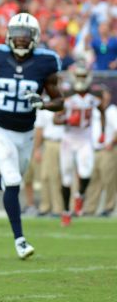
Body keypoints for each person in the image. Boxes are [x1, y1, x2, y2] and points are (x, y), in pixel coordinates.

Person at [0, 12, 63, 260]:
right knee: (12, 180)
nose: (21, 40)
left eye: (25, 36)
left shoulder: (46, 63)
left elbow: (59, 101)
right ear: (8, 36)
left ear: (35, 37)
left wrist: (43, 104)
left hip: (26, 133)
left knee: (12, 180)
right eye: (16, 35)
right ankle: (20, 240)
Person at [54, 65, 105, 225]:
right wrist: (67, 120)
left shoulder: (94, 95)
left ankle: (79, 196)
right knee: (66, 178)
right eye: (79, 76)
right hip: (69, 139)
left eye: (84, 76)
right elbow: (56, 119)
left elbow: (102, 111)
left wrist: (102, 131)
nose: (81, 80)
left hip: (85, 138)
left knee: (86, 172)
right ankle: (66, 212)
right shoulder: (67, 95)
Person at [84, 86, 117, 217]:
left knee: (108, 180)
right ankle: (90, 208)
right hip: (93, 149)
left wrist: (112, 142)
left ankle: (108, 207)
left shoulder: (112, 110)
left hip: (107, 150)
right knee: (93, 180)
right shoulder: (94, 110)